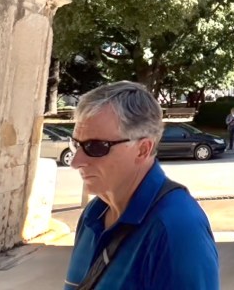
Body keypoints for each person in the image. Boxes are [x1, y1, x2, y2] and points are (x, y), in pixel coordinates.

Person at [64, 81, 220, 290]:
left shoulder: (177, 228)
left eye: (95, 146)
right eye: (76, 144)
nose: (76, 161)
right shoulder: (94, 214)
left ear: (142, 150)